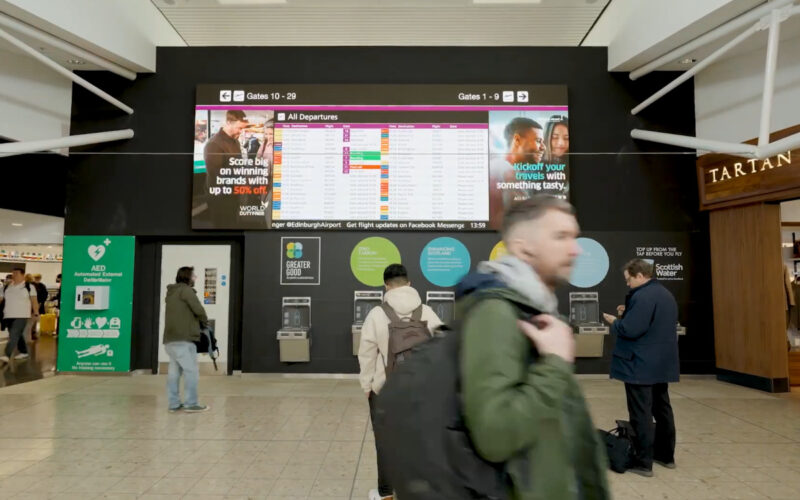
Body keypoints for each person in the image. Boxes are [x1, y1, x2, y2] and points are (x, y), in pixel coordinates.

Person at [458, 196, 609, 499]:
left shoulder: (532, 308)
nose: (576, 248)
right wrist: (554, 362)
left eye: (575, 236)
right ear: (523, 245)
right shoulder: (496, 313)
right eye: (560, 236)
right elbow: (494, 435)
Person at [358, 264, 443, 500]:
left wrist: (367, 385)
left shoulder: (376, 314)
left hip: (385, 390)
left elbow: (366, 354)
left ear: (385, 286)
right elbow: (441, 349)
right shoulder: (427, 312)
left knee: (385, 443)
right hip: (421, 391)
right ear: (409, 284)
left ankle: (386, 493)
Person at [602, 259, 679, 477]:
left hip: (640, 365)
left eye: (628, 280)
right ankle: (666, 455)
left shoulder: (643, 295)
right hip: (660, 364)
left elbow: (631, 329)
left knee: (640, 412)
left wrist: (614, 322)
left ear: (639, 276)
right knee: (662, 409)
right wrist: (628, 311)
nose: (627, 284)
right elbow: (652, 323)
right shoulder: (663, 293)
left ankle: (643, 462)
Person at [163, 266, 210, 413]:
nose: (195, 278)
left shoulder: (172, 293)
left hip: (170, 339)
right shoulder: (186, 291)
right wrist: (204, 321)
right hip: (184, 339)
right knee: (191, 372)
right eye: (193, 275)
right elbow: (199, 310)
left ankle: (174, 404)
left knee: (174, 373)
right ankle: (191, 403)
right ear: (187, 277)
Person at [489, 117, 546, 227]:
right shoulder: (507, 173)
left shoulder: (500, 168)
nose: (543, 147)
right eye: (538, 141)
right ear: (517, 140)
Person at [204, 110, 248, 227]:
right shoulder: (214, 144)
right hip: (220, 200)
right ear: (229, 123)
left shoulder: (235, 142)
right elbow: (217, 177)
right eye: (239, 128)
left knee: (233, 225)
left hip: (233, 196)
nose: (241, 131)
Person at [0, 268, 39, 364]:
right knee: (17, 335)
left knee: (14, 334)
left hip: (22, 315)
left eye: (16, 273)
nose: (14, 275)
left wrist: (36, 312)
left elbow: (34, 300)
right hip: (8, 315)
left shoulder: (29, 286)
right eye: (13, 273)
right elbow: (0, 299)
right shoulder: (6, 287)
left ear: (23, 275)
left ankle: (7, 354)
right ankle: (24, 352)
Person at [32, 274, 49, 339]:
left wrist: (40, 302)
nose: (37, 279)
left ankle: (33, 332)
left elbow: (45, 295)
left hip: (36, 305)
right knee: (34, 320)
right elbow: (45, 295)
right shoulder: (40, 285)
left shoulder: (40, 285)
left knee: (35, 320)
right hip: (36, 305)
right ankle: (32, 332)